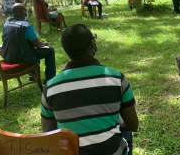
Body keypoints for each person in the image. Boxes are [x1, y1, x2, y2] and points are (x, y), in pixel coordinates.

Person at [41, 24, 138, 155]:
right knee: (123, 125)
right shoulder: (116, 78)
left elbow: (49, 134)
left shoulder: (50, 88)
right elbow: (133, 125)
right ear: (92, 45)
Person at [1, 3, 56, 83]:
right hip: (22, 58)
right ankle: (50, 80)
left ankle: (32, 75)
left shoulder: (7, 22)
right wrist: (45, 43)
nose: (26, 12)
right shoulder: (26, 25)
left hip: (8, 56)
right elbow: (37, 44)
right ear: (22, 12)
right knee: (50, 50)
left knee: (27, 45)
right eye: (25, 10)